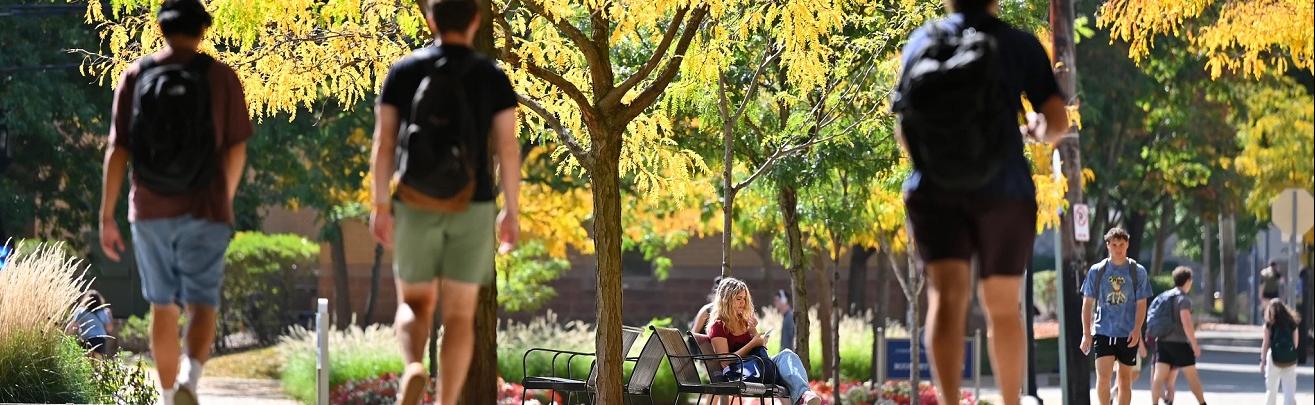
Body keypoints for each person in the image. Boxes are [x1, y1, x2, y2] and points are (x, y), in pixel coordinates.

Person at [892, 1, 1069, 403]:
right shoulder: (1018, 44)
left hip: (935, 189)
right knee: (1003, 306)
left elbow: (905, 126)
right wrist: (1037, 130)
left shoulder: (922, 41)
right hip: (1004, 189)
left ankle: (951, 400)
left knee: (947, 298)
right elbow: (1058, 122)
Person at [99, 1, 252, 404]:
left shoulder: (136, 75)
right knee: (202, 304)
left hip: (150, 209)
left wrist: (106, 216)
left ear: (161, 29)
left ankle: (169, 398)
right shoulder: (221, 77)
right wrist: (224, 197)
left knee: (162, 307)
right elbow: (237, 149)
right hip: (206, 208)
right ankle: (190, 378)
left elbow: (118, 150)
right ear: (203, 29)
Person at [368, 1, 521, 404]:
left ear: (431, 19)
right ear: (476, 20)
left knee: (414, 302)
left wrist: (381, 205)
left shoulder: (403, 71)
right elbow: (507, 147)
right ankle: (446, 401)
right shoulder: (492, 76)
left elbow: (384, 144)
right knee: (458, 316)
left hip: (415, 200)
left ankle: (413, 366)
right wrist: (511, 212)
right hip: (474, 204)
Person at [706, 278, 820, 405]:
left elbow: (761, 350)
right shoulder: (718, 326)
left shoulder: (743, 321)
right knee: (785, 374)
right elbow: (725, 360)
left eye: (744, 298)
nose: (742, 303)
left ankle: (804, 395)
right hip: (741, 372)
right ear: (726, 300)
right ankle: (802, 398)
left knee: (788, 354)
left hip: (758, 366)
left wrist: (754, 332)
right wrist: (753, 343)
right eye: (738, 299)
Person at [1080, 227, 1152, 405]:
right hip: (1103, 331)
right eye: (1114, 244)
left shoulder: (1138, 271)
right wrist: (1086, 333)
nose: (1118, 248)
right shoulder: (1097, 271)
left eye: (1121, 244)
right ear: (1108, 246)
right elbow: (1087, 304)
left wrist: (1137, 330)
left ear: (1127, 244)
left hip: (1127, 333)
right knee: (1103, 378)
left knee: (1125, 381)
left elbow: (1142, 304)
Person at [1148, 266, 1207, 405]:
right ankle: (1202, 403)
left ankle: (1154, 403)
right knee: (1192, 377)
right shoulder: (1183, 299)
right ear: (1187, 281)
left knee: (1158, 377)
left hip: (1162, 342)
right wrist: (1194, 344)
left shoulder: (1164, 296)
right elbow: (1186, 323)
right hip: (1180, 343)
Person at [1261, 298, 1301, 405]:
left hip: (1273, 359)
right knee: (1289, 391)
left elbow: (1265, 344)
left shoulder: (1269, 324)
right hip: (1290, 360)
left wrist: (1263, 361)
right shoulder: (1292, 323)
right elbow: (1295, 344)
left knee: (1271, 390)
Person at [69, 290, 115, 357]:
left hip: (86, 339)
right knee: (98, 361)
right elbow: (110, 329)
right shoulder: (103, 312)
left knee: (87, 362)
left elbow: (73, 327)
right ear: (100, 300)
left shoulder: (80, 311)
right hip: (100, 339)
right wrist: (110, 316)